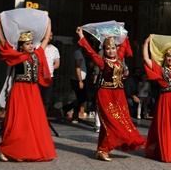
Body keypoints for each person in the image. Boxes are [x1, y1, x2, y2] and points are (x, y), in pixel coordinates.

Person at [76, 28, 146, 161]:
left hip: (119, 95)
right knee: (112, 123)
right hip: (106, 94)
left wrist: (123, 34)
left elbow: (124, 47)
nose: (111, 51)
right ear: (104, 50)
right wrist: (81, 35)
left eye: (113, 48)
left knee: (120, 121)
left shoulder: (119, 59)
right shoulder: (102, 62)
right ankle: (104, 149)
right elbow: (91, 52)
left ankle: (101, 150)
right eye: (108, 49)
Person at [0, 18, 56, 162]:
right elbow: (3, 42)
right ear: (21, 46)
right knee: (18, 121)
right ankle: (5, 149)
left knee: (32, 122)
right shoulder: (17, 56)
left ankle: (21, 150)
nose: (30, 46)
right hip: (20, 91)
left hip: (33, 91)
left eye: (31, 43)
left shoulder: (37, 55)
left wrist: (48, 22)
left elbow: (46, 38)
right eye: (27, 44)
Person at [62, 46, 88, 123]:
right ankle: (66, 108)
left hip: (80, 78)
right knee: (82, 98)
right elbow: (78, 67)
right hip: (78, 79)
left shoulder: (78, 53)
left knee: (80, 98)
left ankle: (75, 116)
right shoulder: (78, 54)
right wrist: (80, 81)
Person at [40, 40, 60, 118]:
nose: (50, 37)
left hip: (49, 76)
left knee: (46, 98)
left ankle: (43, 116)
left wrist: (49, 70)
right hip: (39, 76)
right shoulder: (38, 46)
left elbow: (57, 63)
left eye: (51, 36)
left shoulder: (54, 49)